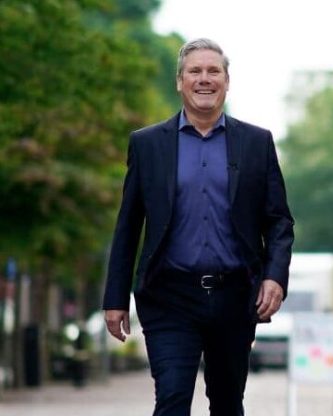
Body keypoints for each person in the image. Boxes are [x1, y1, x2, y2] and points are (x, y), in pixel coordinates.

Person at [102, 38, 294, 415]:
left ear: (227, 80)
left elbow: (279, 221)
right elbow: (128, 225)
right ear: (180, 81)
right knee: (172, 397)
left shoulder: (257, 143)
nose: (204, 79)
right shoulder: (147, 145)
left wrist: (274, 277)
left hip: (235, 296)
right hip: (169, 295)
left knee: (226, 402)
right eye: (195, 71)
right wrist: (115, 298)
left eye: (213, 71)